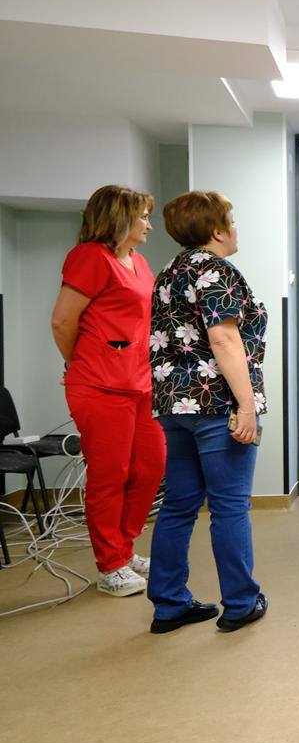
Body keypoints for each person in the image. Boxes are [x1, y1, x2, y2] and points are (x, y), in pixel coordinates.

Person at [145, 191, 267, 633]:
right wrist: (246, 405)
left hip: (173, 404)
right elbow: (224, 339)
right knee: (229, 506)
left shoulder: (168, 272)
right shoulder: (216, 270)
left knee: (179, 505)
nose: (235, 227)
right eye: (231, 220)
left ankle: (169, 605)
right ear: (217, 230)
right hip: (216, 403)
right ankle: (240, 603)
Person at [50, 185, 165, 596]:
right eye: (143, 216)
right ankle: (110, 564)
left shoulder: (139, 261)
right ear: (120, 218)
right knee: (109, 475)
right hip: (99, 385)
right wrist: (80, 361)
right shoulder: (90, 257)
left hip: (140, 383)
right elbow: (62, 321)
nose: (148, 224)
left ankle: (124, 548)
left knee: (150, 467)